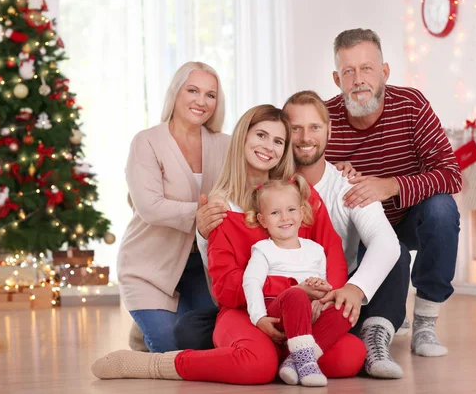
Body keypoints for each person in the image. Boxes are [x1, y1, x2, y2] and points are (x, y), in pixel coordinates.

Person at [91, 105, 366, 384]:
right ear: (242, 139)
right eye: (261, 135)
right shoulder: (221, 207)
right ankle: (156, 364)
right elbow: (225, 288)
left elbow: (331, 253)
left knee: (351, 355)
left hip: (303, 312)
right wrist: (292, 289)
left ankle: (291, 361)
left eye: (278, 141)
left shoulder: (299, 196)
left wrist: (324, 297)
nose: (268, 147)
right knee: (257, 365)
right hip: (245, 312)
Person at [325, 28, 462, 357]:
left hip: (407, 216)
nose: (359, 79)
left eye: (367, 68)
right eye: (349, 71)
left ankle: (425, 323)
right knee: (391, 252)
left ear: (384, 72)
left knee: (442, 209)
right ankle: (387, 312)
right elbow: (303, 179)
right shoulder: (324, 119)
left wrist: (391, 185)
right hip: (356, 233)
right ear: (336, 78)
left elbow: (451, 174)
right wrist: (330, 173)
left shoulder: (411, 105)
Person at [283, 90, 409, 378]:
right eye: (295, 128)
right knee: (189, 331)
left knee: (396, 254)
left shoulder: (347, 184)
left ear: (329, 130)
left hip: (339, 297)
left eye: (314, 127)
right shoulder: (269, 183)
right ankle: (300, 351)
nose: (305, 137)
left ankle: (375, 335)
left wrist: (356, 288)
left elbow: (386, 243)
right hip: (284, 297)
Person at [117, 61, 230, 353]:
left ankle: (149, 326)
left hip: (202, 268)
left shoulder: (226, 145)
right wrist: (204, 213)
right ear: (175, 93)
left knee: (210, 345)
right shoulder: (147, 142)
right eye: (193, 90)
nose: (201, 101)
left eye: (210, 94)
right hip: (150, 266)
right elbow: (150, 207)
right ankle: (148, 324)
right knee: (171, 350)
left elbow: (262, 173)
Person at [243, 175, 353, 387]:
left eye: (291, 210)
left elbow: (324, 284)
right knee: (296, 294)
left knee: (345, 309)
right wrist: (258, 317)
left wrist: (323, 294)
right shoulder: (264, 250)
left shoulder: (315, 250)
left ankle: (294, 361)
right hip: (280, 313)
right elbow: (251, 282)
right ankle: (306, 362)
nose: (285, 217)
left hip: (311, 313)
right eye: (275, 213)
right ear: (263, 220)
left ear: (302, 213)